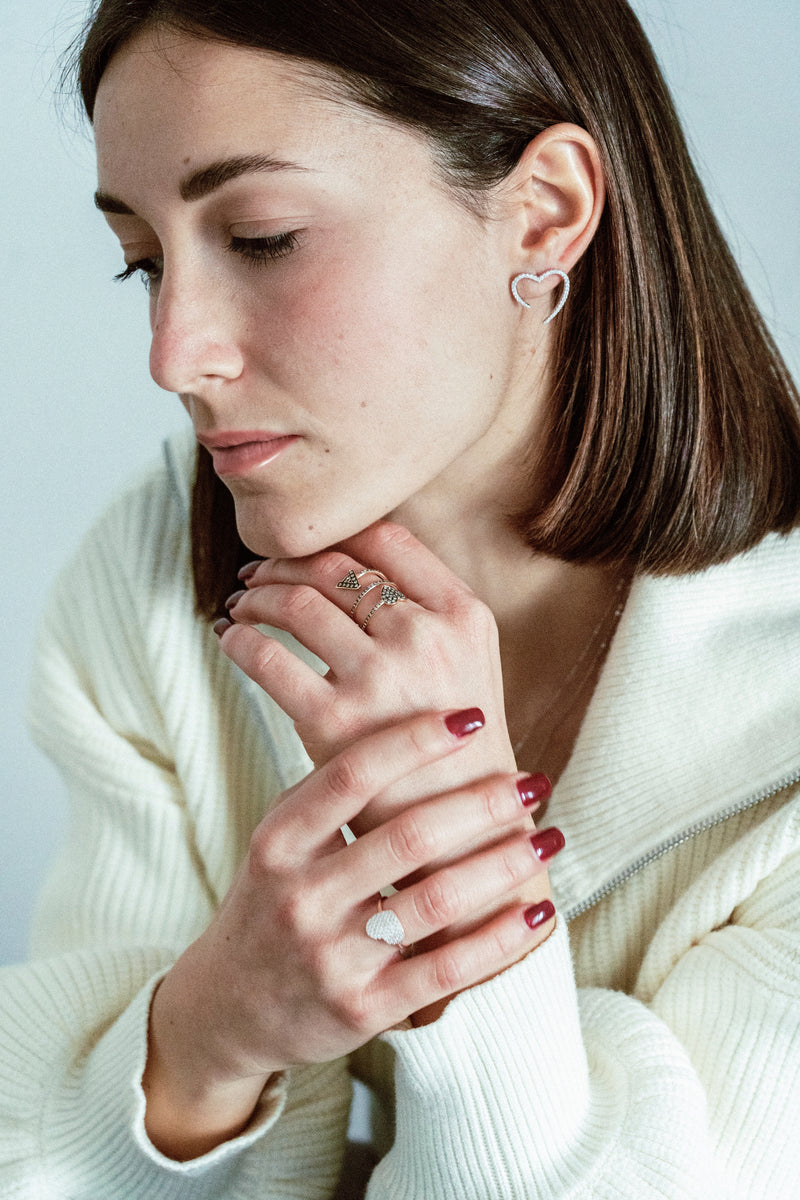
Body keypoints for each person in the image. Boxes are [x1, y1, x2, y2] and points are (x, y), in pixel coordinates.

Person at [2, 0, 799, 1195]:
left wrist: (446, 860)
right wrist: (213, 1030)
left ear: (544, 211)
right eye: (144, 260)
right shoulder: (150, 579)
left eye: (263, 237)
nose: (174, 354)